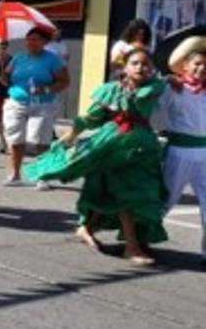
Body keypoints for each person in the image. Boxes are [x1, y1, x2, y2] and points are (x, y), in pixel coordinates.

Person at [26, 46, 166, 266]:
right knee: (124, 192)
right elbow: (91, 118)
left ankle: (88, 227)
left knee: (130, 192)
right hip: (113, 145)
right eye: (135, 63)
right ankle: (132, 246)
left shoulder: (155, 87)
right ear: (125, 67)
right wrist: (71, 135)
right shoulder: (111, 90)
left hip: (142, 146)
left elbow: (157, 88)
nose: (140, 67)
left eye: (145, 64)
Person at [2, 26, 70, 187]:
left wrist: (46, 89)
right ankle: (15, 175)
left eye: (35, 39)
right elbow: (6, 79)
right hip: (17, 102)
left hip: (43, 104)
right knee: (15, 139)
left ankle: (42, 176)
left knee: (41, 141)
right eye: (28, 40)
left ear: (44, 42)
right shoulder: (18, 58)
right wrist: (2, 70)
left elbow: (65, 81)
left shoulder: (53, 60)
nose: (30, 43)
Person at [160, 36, 206, 264]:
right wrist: (166, 81)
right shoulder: (173, 88)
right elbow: (154, 106)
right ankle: (140, 237)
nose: (202, 69)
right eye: (197, 63)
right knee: (167, 199)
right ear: (185, 65)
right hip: (179, 151)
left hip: (204, 153)